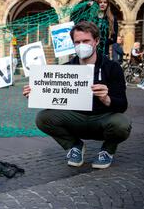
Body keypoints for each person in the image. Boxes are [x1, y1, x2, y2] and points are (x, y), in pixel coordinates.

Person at [23, 21, 131, 169]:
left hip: (102, 120)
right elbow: (55, 100)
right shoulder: (66, 69)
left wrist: (107, 99)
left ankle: (107, 150)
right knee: (43, 118)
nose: (81, 45)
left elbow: (122, 105)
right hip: (75, 119)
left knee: (122, 124)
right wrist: (37, 94)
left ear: (97, 41)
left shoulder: (112, 68)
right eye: (77, 42)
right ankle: (74, 146)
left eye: (86, 41)